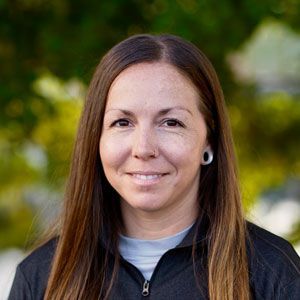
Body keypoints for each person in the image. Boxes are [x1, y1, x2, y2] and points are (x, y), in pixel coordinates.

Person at [9, 34, 300, 300]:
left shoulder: (272, 271)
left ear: (209, 141)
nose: (144, 148)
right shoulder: (41, 277)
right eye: (122, 122)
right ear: (96, 139)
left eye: (171, 122)